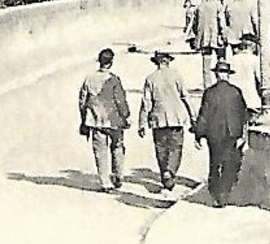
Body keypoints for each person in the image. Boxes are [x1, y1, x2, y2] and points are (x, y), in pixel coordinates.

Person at [192, 58, 250, 206]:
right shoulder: (236, 92)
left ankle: (216, 193)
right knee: (228, 163)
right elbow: (243, 114)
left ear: (216, 75)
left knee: (214, 162)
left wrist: (198, 134)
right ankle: (224, 193)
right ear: (228, 75)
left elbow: (204, 115)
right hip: (232, 133)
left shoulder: (210, 93)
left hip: (214, 134)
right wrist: (243, 134)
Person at [136, 49, 194, 193]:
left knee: (161, 148)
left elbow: (146, 103)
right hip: (176, 117)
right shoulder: (176, 76)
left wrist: (142, 123)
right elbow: (185, 97)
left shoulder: (151, 78)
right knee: (176, 147)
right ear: (168, 61)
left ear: (156, 63)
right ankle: (170, 171)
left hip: (158, 118)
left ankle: (165, 174)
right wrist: (193, 117)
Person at [78, 48, 130, 192]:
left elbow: (82, 101)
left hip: (95, 120)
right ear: (111, 63)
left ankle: (105, 182)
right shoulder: (113, 79)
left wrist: (84, 118)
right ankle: (118, 175)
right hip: (113, 120)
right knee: (118, 147)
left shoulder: (89, 78)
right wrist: (126, 116)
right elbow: (120, 100)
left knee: (100, 152)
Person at [190, 0, 229, 82]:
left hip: (204, 38)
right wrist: (224, 35)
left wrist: (197, 36)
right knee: (221, 59)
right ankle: (222, 81)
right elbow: (222, 22)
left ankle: (207, 84)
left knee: (206, 62)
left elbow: (195, 23)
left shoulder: (200, 6)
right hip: (217, 37)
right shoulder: (218, 6)